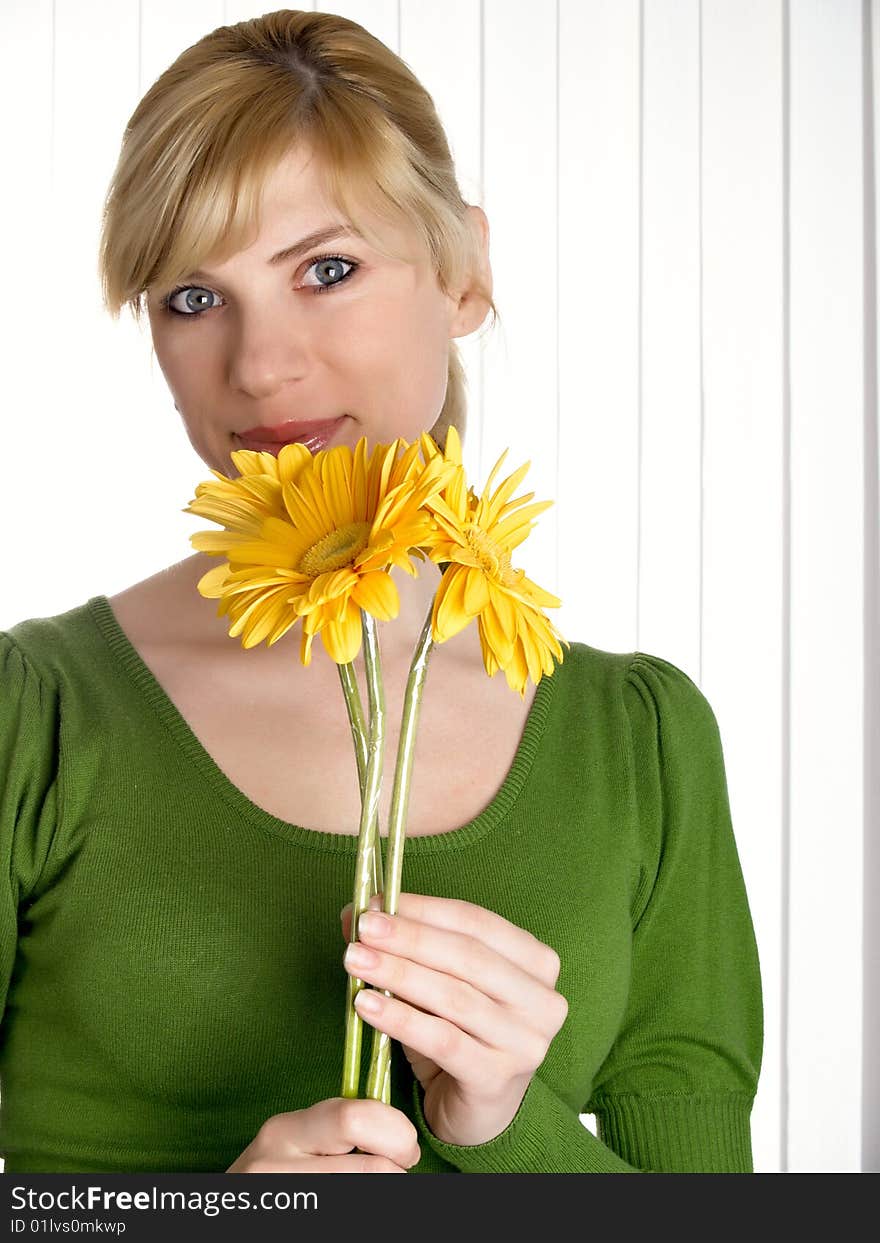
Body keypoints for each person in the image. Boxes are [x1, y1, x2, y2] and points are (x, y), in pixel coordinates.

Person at [0, 10, 763, 1174]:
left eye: (328, 269)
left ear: (463, 270)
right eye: (192, 299)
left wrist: (506, 1128)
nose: (258, 365)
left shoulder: (639, 744)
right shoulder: (35, 716)